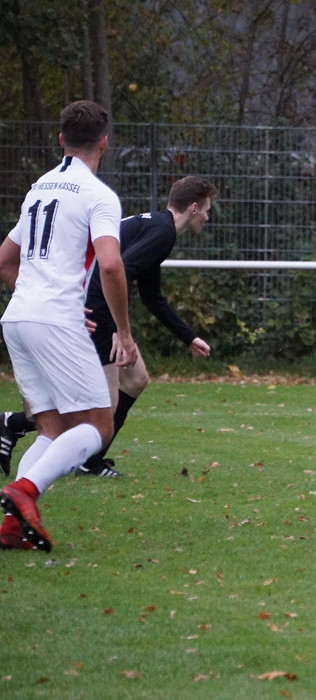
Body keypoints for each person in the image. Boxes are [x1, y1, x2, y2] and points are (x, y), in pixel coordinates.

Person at [0, 176, 218, 478]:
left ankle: (87, 461)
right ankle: (19, 433)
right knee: (97, 407)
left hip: (90, 305)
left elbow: (151, 295)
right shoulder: (162, 232)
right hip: (93, 309)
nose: (208, 216)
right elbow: (117, 270)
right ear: (194, 207)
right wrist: (118, 329)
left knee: (136, 379)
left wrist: (188, 337)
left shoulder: (158, 227)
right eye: (207, 209)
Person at [0, 100, 139, 551]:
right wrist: (123, 331)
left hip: (18, 318)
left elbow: (4, 260)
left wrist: (35, 297)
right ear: (104, 142)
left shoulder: (39, 187)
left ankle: (10, 526)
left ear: (61, 139)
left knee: (54, 430)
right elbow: (112, 266)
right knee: (99, 425)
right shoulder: (97, 195)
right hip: (56, 320)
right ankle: (24, 493)